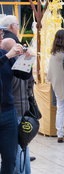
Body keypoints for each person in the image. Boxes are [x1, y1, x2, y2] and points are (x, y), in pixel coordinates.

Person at [2, 38, 33, 174]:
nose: (1, 34)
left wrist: (26, 60)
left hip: (7, 112)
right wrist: (8, 55)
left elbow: (22, 75)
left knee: (10, 158)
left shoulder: (3, 55)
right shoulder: (5, 56)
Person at [46, 30, 64, 143]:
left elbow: (50, 73)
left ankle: (59, 134)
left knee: (60, 108)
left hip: (57, 84)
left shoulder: (53, 54)